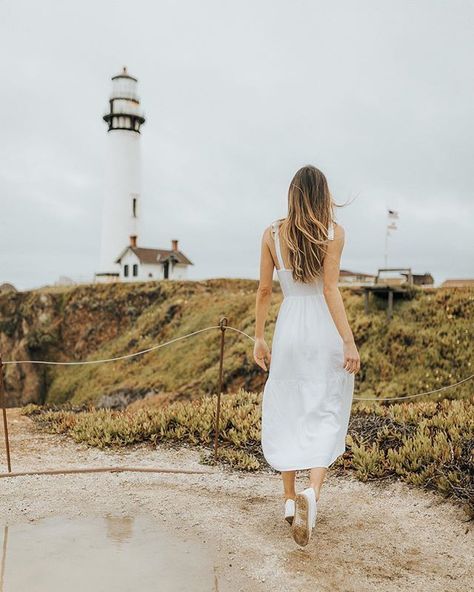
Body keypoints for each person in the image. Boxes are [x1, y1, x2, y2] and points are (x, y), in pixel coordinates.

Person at [253, 164, 360, 547]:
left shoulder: (272, 233)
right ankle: (311, 494)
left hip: (289, 328)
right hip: (323, 329)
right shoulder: (335, 233)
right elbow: (330, 290)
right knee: (326, 407)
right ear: (322, 194)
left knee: (288, 405)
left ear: (292, 194)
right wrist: (348, 341)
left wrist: (259, 338)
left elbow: (265, 290)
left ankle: (287, 499)